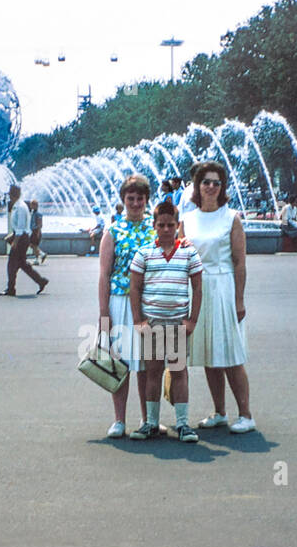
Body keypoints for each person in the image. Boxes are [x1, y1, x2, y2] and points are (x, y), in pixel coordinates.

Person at [181, 161, 255, 433]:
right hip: (197, 289)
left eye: (216, 183)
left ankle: (246, 414)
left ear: (222, 187)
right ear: (197, 186)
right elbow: (179, 259)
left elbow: (240, 262)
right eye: (206, 182)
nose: (211, 187)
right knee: (209, 354)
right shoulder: (187, 220)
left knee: (230, 354)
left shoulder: (231, 218)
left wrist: (239, 300)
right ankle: (219, 411)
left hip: (223, 287)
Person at [127, 200, 203, 442]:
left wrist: (192, 321)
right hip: (152, 323)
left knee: (179, 373)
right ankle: (150, 422)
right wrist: (138, 320)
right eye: (162, 225)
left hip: (178, 324)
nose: (167, 229)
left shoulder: (189, 252)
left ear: (178, 225)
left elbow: (198, 288)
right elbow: (135, 288)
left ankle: (182, 424)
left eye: (171, 225)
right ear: (154, 225)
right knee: (153, 373)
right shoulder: (144, 253)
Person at [97, 175, 157, 438]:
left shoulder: (154, 229)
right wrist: (103, 313)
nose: (135, 203)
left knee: (147, 364)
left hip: (149, 304)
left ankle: (148, 419)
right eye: (130, 198)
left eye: (140, 198)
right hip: (120, 302)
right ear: (123, 200)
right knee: (120, 363)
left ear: (146, 200)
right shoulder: (112, 231)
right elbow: (104, 274)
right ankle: (119, 420)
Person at [1, 185, 48, 296]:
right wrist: (12, 235)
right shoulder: (18, 206)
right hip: (21, 237)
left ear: (13, 194)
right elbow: (19, 227)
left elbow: (21, 227)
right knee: (22, 264)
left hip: (21, 239)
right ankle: (41, 281)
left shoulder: (20, 207)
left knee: (12, 264)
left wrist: (15, 242)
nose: (9, 197)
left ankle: (11, 288)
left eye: (10, 194)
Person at [27, 199, 46, 266]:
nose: (30, 206)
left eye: (32, 205)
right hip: (34, 231)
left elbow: (40, 224)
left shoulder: (38, 214)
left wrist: (38, 232)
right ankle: (41, 255)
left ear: (35, 205)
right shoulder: (34, 213)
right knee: (33, 245)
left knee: (33, 245)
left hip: (36, 231)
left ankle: (38, 258)